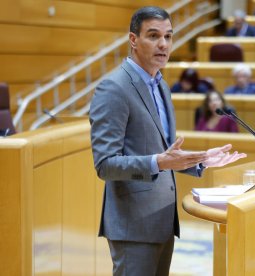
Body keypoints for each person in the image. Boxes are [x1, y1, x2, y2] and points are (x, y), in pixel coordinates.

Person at [89, 7, 246, 276]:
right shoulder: (113, 88)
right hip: (133, 225)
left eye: (168, 36)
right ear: (133, 40)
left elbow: (162, 154)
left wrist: (199, 160)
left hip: (161, 221)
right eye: (153, 35)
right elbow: (105, 164)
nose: (163, 44)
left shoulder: (160, 84)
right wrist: (160, 161)